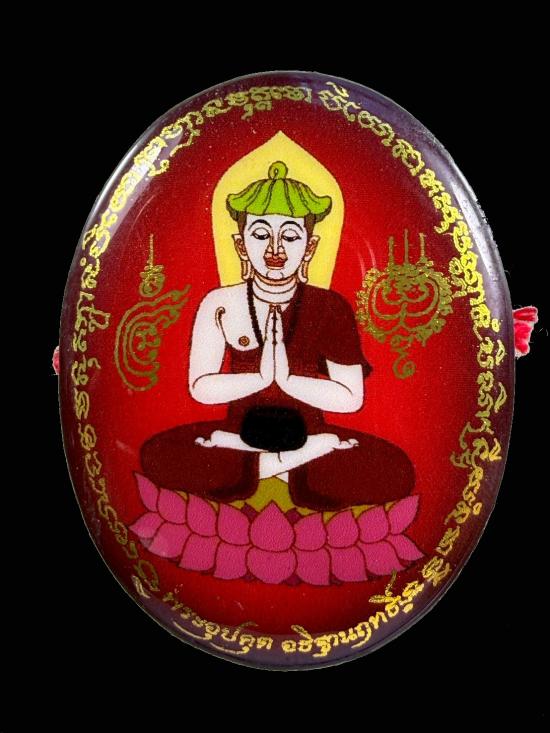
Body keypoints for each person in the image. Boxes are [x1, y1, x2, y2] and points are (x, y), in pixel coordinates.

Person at [140, 161, 414, 512]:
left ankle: (260, 464)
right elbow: (200, 387)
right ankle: (286, 464)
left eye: (290, 236)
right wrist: (260, 378)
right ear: (240, 245)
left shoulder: (330, 307)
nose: (275, 250)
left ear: (310, 247)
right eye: (260, 235)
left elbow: (350, 398)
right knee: (159, 454)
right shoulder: (219, 304)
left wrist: (286, 379)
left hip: (309, 432)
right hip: (239, 432)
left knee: (393, 470)